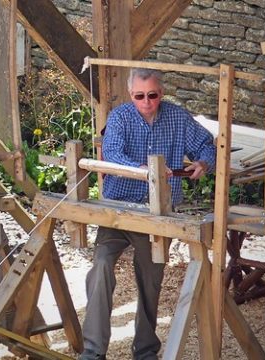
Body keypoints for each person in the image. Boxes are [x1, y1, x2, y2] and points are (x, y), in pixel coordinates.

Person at [79, 68, 216, 360]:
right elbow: (113, 153)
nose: (146, 102)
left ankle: (144, 351)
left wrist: (204, 163)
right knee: (101, 267)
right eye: (139, 96)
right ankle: (92, 352)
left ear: (161, 94)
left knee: (151, 279)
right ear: (131, 95)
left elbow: (208, 143)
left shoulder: (178, 117)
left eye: (152, 95)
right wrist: (144, 171)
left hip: (158, 212)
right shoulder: (120, 117)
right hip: (119, 208)